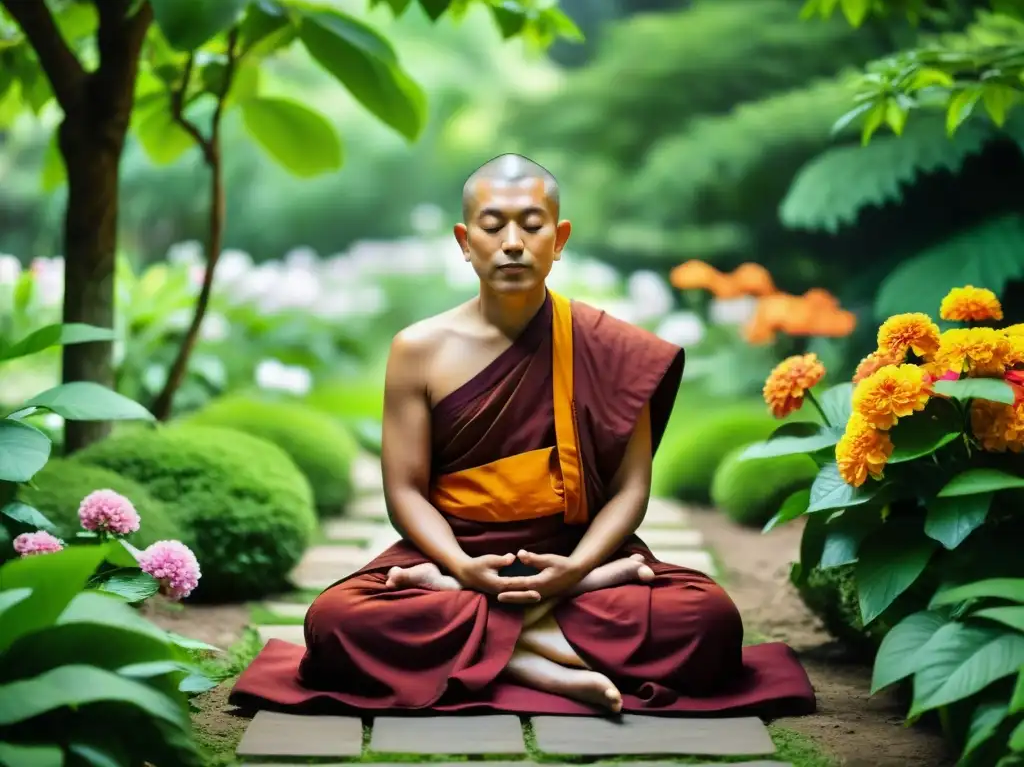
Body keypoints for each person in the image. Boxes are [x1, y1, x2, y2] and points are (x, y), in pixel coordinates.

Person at [230, 154, 815, 717]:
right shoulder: (419, 350)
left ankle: (508, 652)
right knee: (336, 621)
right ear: (464, 241)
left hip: (574, 555)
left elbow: (631, 491)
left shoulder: (610, 348)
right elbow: (405, 492)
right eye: (493, 225)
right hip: (452, 552)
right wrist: (460, 568)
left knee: (708, 618)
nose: (512, 241)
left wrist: (580, 569)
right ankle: (549, 664)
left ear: (558, 240)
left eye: (531, 225)